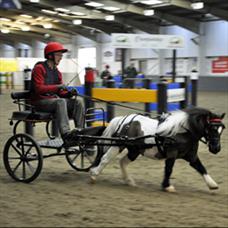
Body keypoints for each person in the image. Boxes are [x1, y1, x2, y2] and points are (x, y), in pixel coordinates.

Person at [30, 42, 84, 143]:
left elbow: (60, 92)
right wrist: (58, 87)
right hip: (39, 102)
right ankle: (66, 133)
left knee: (78, 102)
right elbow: (39, 89)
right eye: (58, 55)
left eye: (61, 55)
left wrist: (69, 93)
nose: (61, 57)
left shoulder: (57, 72)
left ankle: (80, 131)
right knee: (60, 102)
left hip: (53, 101)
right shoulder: (39, 69)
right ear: (50, 55)